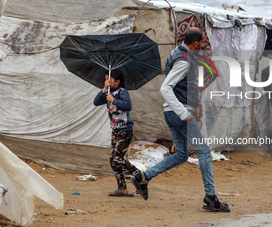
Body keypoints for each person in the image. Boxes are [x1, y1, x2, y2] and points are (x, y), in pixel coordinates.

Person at [131, 27, 230, 212]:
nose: (202, 45)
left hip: (173, 113)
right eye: (201, 42)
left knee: (181, 154)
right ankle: (211, 196)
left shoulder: (178, 53)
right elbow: (165, 88)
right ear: (195, 43)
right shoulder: (183, 60)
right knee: (204, 151)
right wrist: (183, 113)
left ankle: (143, 177)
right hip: (179, 113)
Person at [94, 69, 140, 197]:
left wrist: (113, 100)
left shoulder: (122, 92)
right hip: (115, 130)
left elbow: (128, 105)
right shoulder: (108, 92)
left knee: (117, 158)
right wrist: (104, 89)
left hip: (125, 130)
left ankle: (139, 175)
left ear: (118, 81)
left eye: (109, 80)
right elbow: (96, 102)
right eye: (106, 79)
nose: (107, 82)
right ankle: (122, 188)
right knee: (113, 160)